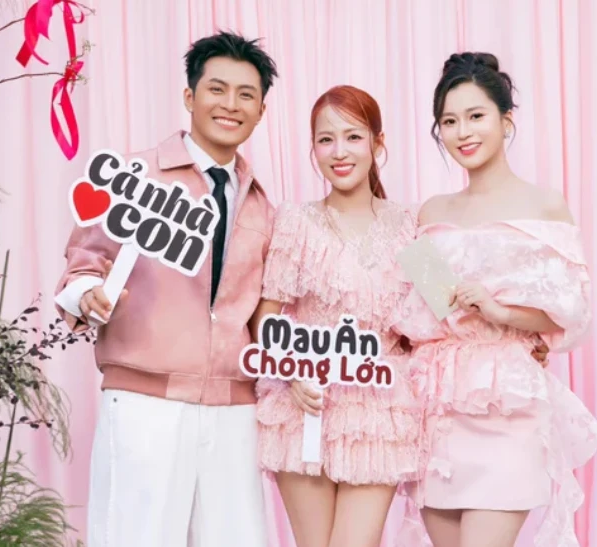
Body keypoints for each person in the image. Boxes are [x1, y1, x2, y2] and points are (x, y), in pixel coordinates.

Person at [53, 31, 278, 547]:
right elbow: (83, 262)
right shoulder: (134, 176)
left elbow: (260, 310)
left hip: (234, 409)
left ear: (261, 111)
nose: (231, 104)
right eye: (217, 89)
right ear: (189, 96)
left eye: (246, 94)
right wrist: (87, 294)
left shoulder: (261, 204)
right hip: (144, 401)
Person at [396, 52, 597, 547]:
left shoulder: (544, 205)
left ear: (506, 120)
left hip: (506, 408)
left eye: (475, 116)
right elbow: (420, 317)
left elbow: (572, 310)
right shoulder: (430, 213)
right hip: (439, 413)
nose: (462, 132)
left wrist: (500, 311)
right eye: (449, 121)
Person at [247, 85, 422, 547]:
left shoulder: (411, 224)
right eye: (326, 140)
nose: (339, 152)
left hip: (379, 411)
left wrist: (521, 334)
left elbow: (447, 308)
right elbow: (267, 315)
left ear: (378, 143)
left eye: (353, 137)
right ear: (313, 149)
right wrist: (290, 368)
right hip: (305, 405)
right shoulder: (295, 221)